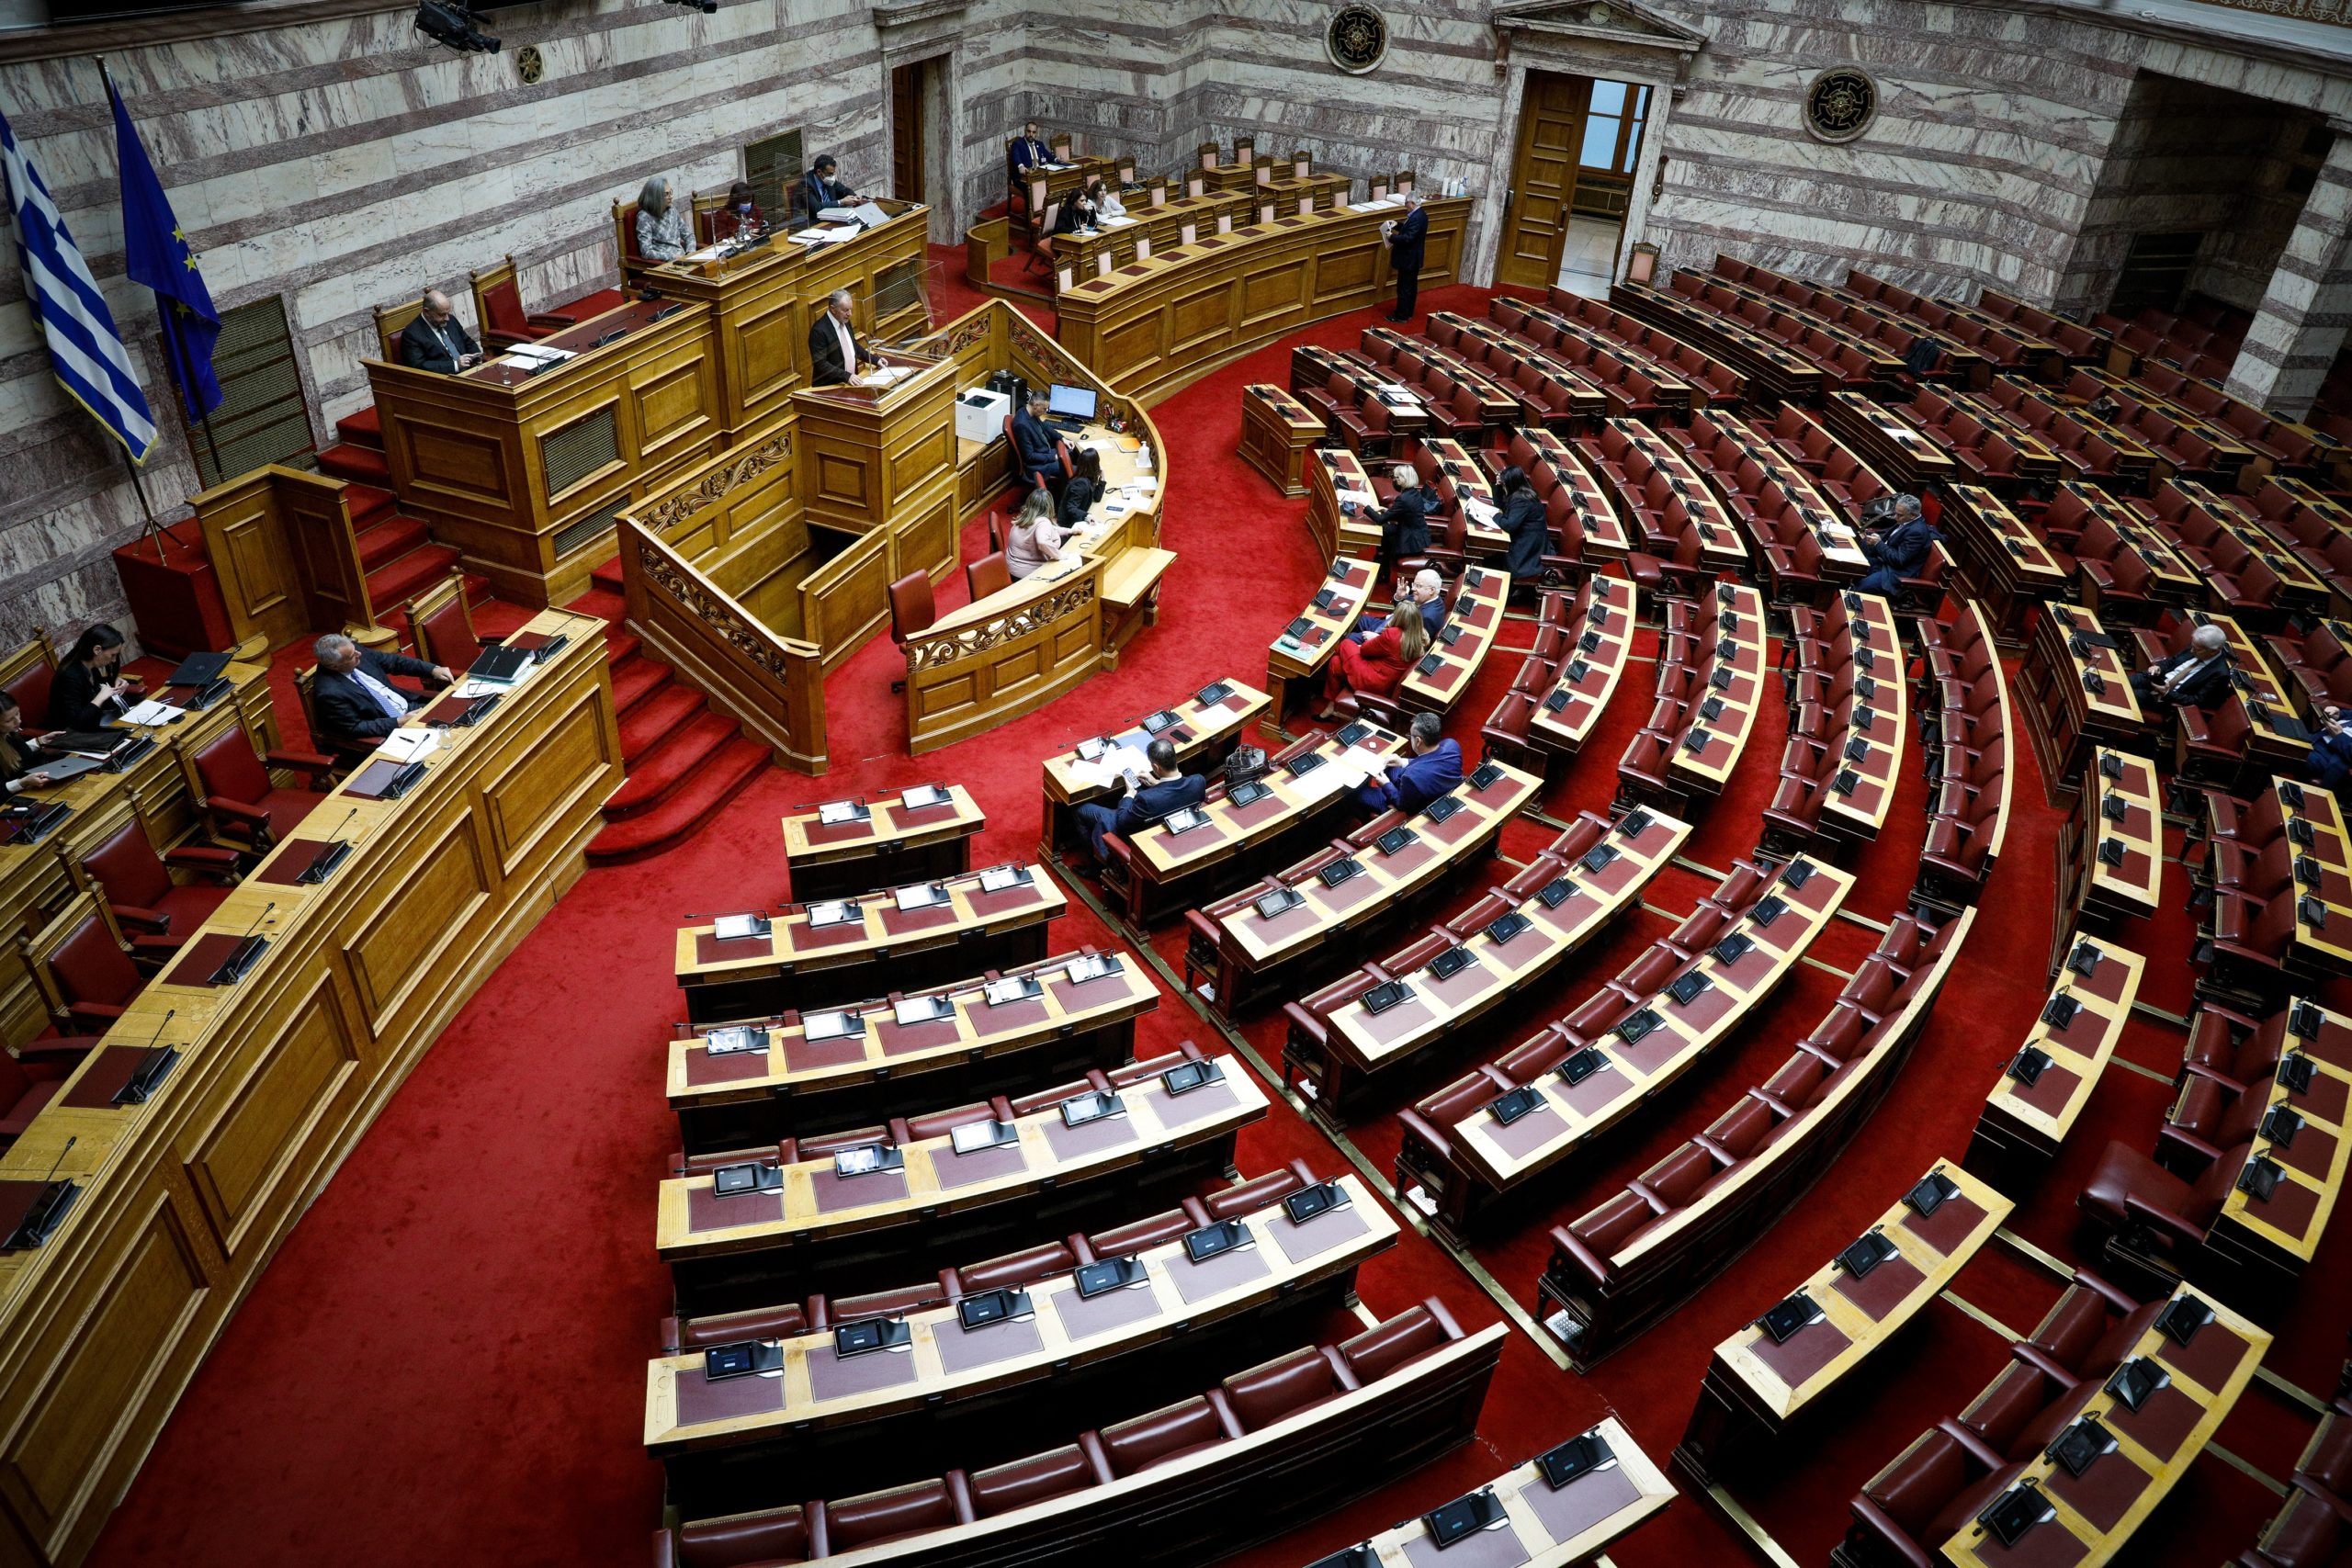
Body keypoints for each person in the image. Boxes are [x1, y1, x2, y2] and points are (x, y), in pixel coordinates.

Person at [1074, 736, 1205, 861]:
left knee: (1082, 810)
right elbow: (1175, 791)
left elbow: (1122, 822)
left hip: (1139, 830)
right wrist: (1156, 782)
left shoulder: (1146, 799)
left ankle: (1094, 866)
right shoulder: (1198, 781)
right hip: (1174, 822)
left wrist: (1129, 795)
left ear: (1155, 767)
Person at [311, 633, 452, 743]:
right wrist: (398, 721)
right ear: (334, 666)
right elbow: (354, 727)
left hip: (412, 707)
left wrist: (432, 669)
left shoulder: (355, 651)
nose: (359, 654)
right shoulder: (330, 692)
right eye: (353, 656)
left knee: (461, 718)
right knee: (447, 742)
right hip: (392, 729)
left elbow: (394, 662)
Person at [1320, 593, 1428, 716]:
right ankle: (1331, 705)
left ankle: (1320, 669)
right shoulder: (1422, 636)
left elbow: (1365, 650)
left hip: (1372, 681)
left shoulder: (1393, 634)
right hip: (1387, 682)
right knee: (1335, 662)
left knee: (1346, 643)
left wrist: (1377, 637)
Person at [1360, 711, 1464, 815]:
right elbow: (1432, 759)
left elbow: (1401, 804)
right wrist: (1402, 762)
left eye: (1411, 736)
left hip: (1416, 806)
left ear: (1418, 741)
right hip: (1433, 789)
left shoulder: (1411, 777)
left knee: (1358, 794)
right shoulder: (1452, 746)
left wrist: (1386, 785)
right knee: (1389, 767)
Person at [51, 623, 137, 731]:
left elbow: (91, 690)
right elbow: (74, 724)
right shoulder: (70, 676)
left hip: (97, 722)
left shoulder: (91, 667)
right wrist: (100, 697)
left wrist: (113, 681)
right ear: (97, 650)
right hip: (76, 736)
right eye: (112, 655)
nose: (114, 660)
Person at [2131, 624, 2233, 712]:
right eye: (2192, 646)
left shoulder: (2220, 674)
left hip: (2167, 700)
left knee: (2129, 696)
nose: (2192, 651)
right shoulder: (2197, 645)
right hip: (2158, 680)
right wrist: (2158, 668)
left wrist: (2167, 693)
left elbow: (2196, 701)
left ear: (2213, 651)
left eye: (2197, 650)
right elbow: (2172, 660)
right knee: (2124, 682)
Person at [1858, 493, 1939, 599]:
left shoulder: (1917, 532)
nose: (1895, 517)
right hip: (1885, 563)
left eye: (1899, 515)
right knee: (1853, 566)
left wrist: (1878, 544)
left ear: (1913, 515)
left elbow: (1899, 560)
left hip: (1896, 573)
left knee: (1863, 587)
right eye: (1895, 513)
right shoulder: (1906, 520)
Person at [1351, 568, 1448, 644]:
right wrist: (1399, 597)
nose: (1413, 588)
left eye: (1418, 586)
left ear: (1431, 590)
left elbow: (1409, 644)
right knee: (1353, 619)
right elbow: (1404, 611)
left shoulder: (1427, 617)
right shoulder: (1425, 597)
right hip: (1384, 623)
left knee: (1348, 638)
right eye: (1414, 584)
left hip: (1384, 636)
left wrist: (1378, 638)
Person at [1363, 463, 1434, 565]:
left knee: (1381, 528)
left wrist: (1365, 505)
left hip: (1411, 542)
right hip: (1419, 537)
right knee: (1386, 532)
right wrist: (1384, 509)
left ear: (1404, 479)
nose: (1394, 481)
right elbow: (1405, 513)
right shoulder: (1415, 493)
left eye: (1396, 478)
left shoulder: (1403, 499)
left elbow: (1380, 519)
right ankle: (1382, 559)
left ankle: (1381, 560)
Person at [399, 289, 481, 375]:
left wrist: (475, 357)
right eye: (442, 315)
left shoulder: (450, 320)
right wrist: (455, 365)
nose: (447, 318)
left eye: (447, 313)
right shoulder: (412, 334)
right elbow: (418, 366)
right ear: (427, 312)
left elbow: (467, 341)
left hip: (470, 371)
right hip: (445, 379)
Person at [0, 694, 68, 794]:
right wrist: (22, 782)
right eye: (9, 720)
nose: (18, 721)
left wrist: (40, 741)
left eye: (17, 713)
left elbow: (14, 755)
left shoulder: (9, 732)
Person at [1494, 465, 1548, 585]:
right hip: (1526, 541)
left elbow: (1508, 525)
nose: (1503, 488)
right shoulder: (1521, 493)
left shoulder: (1521, 500)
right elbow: (1500, 506)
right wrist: (1498, 487)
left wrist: (1495, 515)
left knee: (1493, 557)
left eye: (1504, 485)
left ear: (1511, 484)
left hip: (1526, 551)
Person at [1006, 489, 1075, 580]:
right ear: (1049, 506)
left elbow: (1052, 529)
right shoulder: (1043, 522)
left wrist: (1069, 531)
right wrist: (1059, 555)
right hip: (1028, 576)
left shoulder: (1025, 517)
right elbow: (1043, 542)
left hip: (1012, 570)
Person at [1012, 390, 1068, 496]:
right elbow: (1029, 456)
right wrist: (1053, 457)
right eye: (1044, 408)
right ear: (1036, 405)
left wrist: (1062, 438)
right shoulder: (1022, 424)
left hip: (1045, 453)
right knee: (1073, 469)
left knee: (1071, 451)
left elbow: (1045, 427)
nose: (1045, 411)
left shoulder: (1028, 412)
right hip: (1038, 465)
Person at [1382, 192, 1428, 323]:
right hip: (1413, 258)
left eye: (1406, 203)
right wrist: (1397, 224)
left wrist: (1392, 237)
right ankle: (1408, 312)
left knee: (1404, 288)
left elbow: (1408, 238)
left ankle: (1401, 316)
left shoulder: (1416, 218)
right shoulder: (1420, 214)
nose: (1405, 206)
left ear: (1412, 203)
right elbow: (1408, 230)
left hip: (1408, 259)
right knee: (1411, 287)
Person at [808, 289, 868, 388]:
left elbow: (853, 346)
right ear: (833, 309)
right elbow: (820, 364)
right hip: (830, 388)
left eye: (850, 309)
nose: (850, 314)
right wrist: (847, 376)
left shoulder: (845, 320)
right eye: (846, 310)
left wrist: (874, 360)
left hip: (850, 384)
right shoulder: (818, 331)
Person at [635, 175, 692, 263]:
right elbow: (646, 252)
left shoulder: (671, 209)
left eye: (670, 192)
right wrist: (672, 257)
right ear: (655, 197)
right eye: (666, 194)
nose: (671, 197)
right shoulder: (644, 217)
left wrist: (691, 253)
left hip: (683, 259)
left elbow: (689, 235)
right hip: (664, 264)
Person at [798, 156, 855, 223]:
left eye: (833, 173)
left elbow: (845, 190)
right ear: (819, 172)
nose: (832, 176)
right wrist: (841, 202)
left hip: (836, 216)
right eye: (830, 174)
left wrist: (854, 197)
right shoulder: (806, 184)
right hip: (817, 222)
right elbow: (817, 208)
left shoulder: (828, 179)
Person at [2309, 705, 2352, 794]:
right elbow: (2348, 714)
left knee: (2289, 750)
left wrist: (2340, 736)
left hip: (2334, 757)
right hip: (2319, 737)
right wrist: (2338, 714)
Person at [1058, 446, 1103, 528]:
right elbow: (1071, 507)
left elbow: (1097, 497)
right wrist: (1087, 515)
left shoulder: (1087, 477)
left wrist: (1102, 479)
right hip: (1069, 523)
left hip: (1077, 517)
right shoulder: (1081, 484)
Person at [711, 179, 764, 243]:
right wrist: (741, 235)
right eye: (744, 201)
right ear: (735, 201)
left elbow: (761, 228)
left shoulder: (755, 210)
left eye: (749, 201)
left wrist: (760, 231)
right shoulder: (722, 215)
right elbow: (720, 240)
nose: (747, 204)